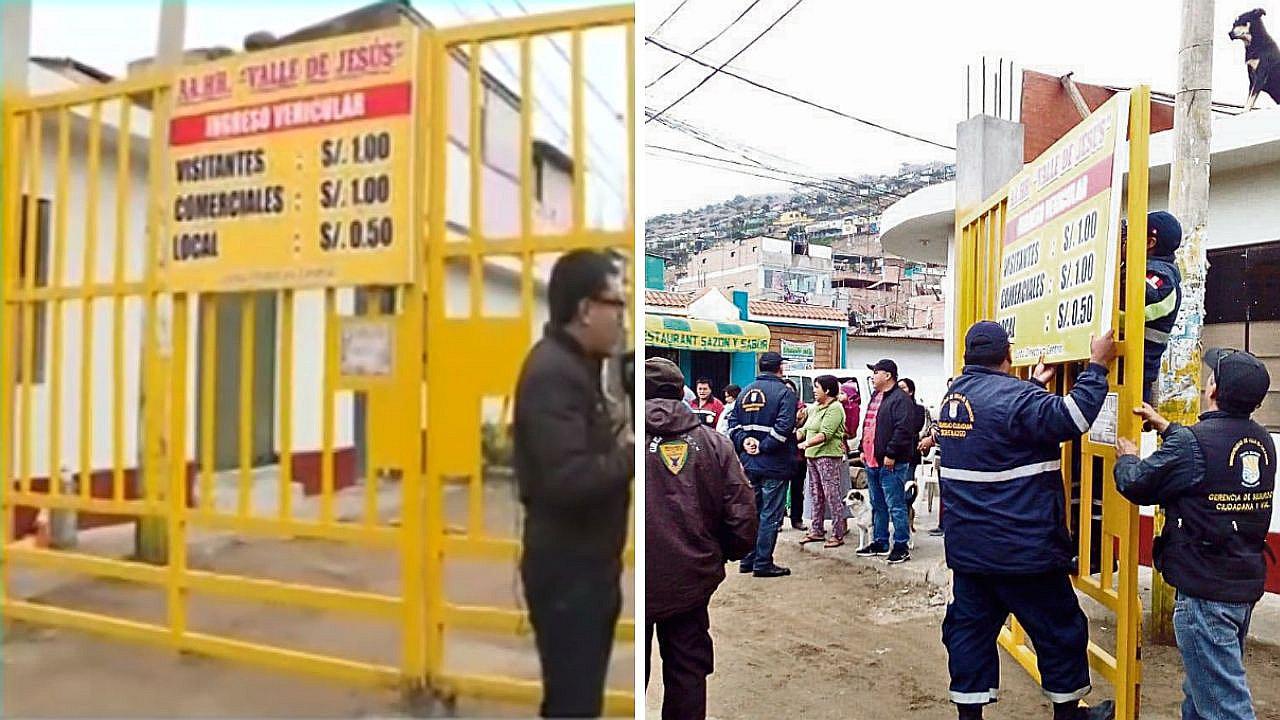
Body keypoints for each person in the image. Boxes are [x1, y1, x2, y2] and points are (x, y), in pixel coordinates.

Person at [935, 320, 1118, 720]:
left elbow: (1001, 428)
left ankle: (969, 716)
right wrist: (1097, 365)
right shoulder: (1016, 399)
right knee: (1059, 631)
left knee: (968, 634)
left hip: (970, 553)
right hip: (1024, 552)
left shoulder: (954, 398)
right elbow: (1073, 417)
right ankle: (1069, 715)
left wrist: (1033, 386)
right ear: (1007, 355)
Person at [1113, 348, 1274, 720]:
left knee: (1224, 705)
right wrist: (1167, 427)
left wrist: (1128, 457)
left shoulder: (1193, 444)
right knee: (1203, 692)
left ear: (1213, 388)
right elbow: (1209, 457)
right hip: (1241, 585)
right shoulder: (1262, 441)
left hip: (1205, 595)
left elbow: (1138, 484)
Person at [512, 249, 632, 718]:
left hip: (586, 567)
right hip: (569, 574)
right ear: (585, 309)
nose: (621, 317)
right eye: (615, 304)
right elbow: (567, 478)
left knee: (575, 701)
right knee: (573, 706)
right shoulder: (554, 374)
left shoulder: (577, 367)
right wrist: (629, 455)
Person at [645, 358, 759, 720]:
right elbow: (742, 513)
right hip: (690, 577)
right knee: (687, 671)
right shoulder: (714, 443)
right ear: (681, 392)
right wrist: (721, 553)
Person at [726, 351, 798, 577]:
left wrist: (744, 441)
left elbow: (732, 423)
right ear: (780, 368)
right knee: (770, 515)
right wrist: (764, 446)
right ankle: (763, 562)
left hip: (749, 463)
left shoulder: (745, 391)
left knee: (753, 512)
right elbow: (784, 428)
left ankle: (748, 559)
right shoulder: (785, 393)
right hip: (774, 464)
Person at [854, 358, 917, 564]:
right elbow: (868, 425)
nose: (872, 377)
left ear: (888, 375)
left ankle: (901, 545)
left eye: (876, 372)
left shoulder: (901, 399)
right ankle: (880, 542)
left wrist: (891, 453)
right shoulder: (876, 396)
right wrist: (862, 448)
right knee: (877, 504)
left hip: (891, 463)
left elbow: (903, 430)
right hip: (872, 460)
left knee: (895, 505)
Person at [1127, 211, 1183, 405]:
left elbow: (1131, 298)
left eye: (1133, 234)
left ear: (1150, 243)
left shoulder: (1162, 278)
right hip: (1120, 368)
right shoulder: (1146, 269)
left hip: (1134, 375)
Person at [797, 375, 849, 548]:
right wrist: (791, 439)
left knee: (832, 494)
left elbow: (826, 433)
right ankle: (816, 530)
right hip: (812, 456)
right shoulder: (815, 408)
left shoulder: (835, 408)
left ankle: (838, 533)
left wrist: (806, 444)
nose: (814, 390)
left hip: (828, 456)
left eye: (817, 387)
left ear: (827, 390)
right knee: (815, 494)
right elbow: (805, 429)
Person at [898, 377, 929, 531]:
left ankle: (907, 523)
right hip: (893, 455)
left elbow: (914, 428)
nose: (900, 390)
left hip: (909, 455)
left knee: (907, 490)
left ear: (910, 391)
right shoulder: (893, 406)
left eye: (903, 388)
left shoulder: (918, 410)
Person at [782, 378, 808, 531]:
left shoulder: (802, 409)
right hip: (781, 455)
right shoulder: (777, 407)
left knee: (797, 490)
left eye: (790, 390)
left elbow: (806, 429)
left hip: (798, 455)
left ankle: (797, 519)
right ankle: (778, 520)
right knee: (779, 489)